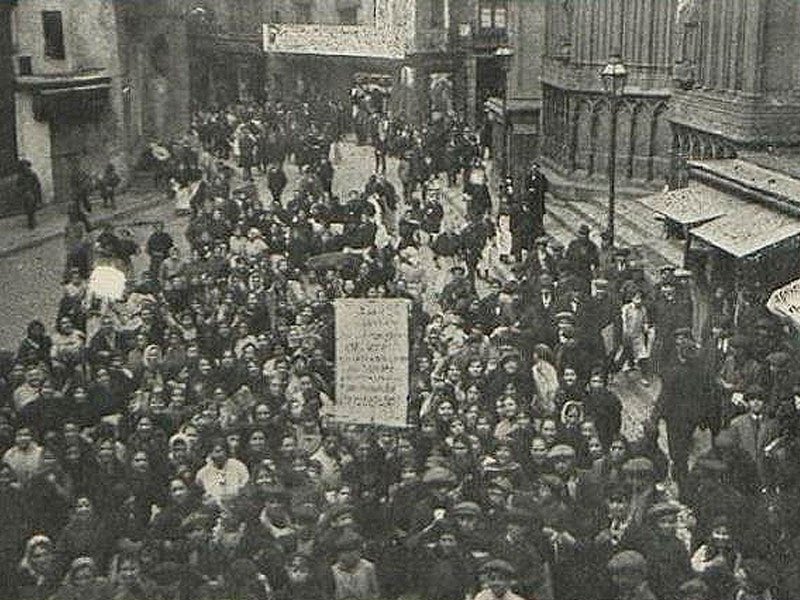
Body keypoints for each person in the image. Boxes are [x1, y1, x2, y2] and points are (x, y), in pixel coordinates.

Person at [17, 160, 42, 230]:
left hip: (33, 192)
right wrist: (23, 190)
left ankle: (32, 221)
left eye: (26, 166)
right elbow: (18, 185)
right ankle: (31, 221)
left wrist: (35, 190)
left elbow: (37, 184)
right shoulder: (21, 176)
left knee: (32, 208)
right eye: (23, 166)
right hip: (25, 193)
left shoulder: (33, 174)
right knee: (28, 208)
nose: (25, 168)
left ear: (28, 166)